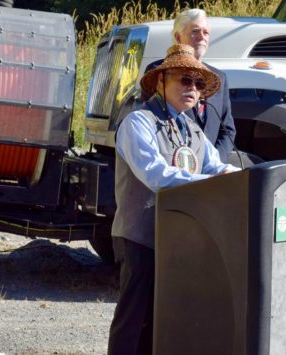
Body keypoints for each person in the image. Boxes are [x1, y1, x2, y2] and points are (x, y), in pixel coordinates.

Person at [107, 43, 238, 355]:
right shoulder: (138, 122)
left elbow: (214, 165)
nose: (193, 88)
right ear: (163, 79)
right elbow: (157, 175)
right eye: (185, 80)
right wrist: (212, 181)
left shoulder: (191, 128)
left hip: (178, 240)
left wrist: (242, 176)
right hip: (141, 236)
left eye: (198, 83)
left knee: (162, 321)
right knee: (133, 320)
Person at [142, 9, 236, 163]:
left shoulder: (219, 78)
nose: (202, 37)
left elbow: (228, 130)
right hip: (173, 169)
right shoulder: (159, 72)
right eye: (195, 31)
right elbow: (153, 120)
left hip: (210, 175)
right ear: (178, 37)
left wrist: (212, 165)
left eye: (206, 33)